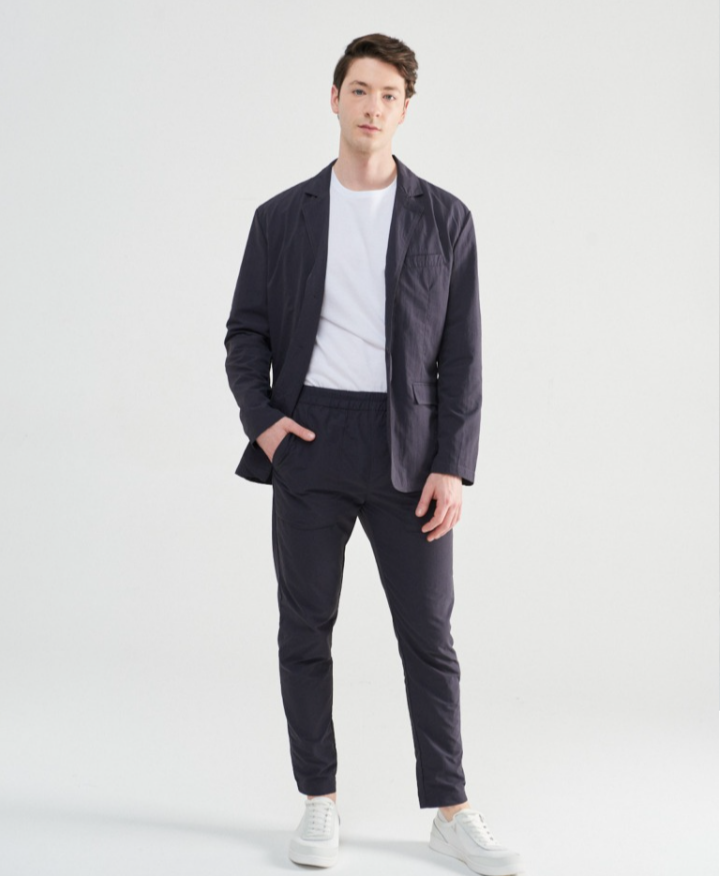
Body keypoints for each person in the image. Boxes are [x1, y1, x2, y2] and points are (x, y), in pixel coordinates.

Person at [224, 32, 523, 876]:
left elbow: (463, 354)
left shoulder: (445, 218)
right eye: (360, 90)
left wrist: (452, 463)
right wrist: (266, 422)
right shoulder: (281, 217)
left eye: (389, 95)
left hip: (411, 449)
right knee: (305, 628)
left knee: (428, 634)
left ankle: (451, 811)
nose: (372, 107)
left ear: (405, 109)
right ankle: (318, 799)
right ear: (335, 98)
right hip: (310, 441)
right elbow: (245, 334)